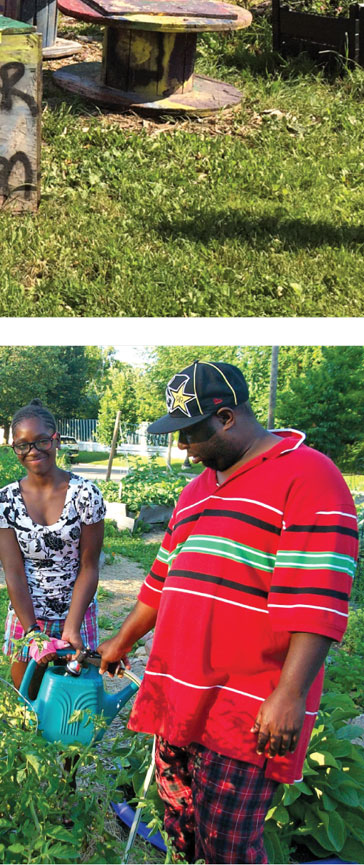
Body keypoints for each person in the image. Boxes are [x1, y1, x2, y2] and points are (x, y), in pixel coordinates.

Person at [97, 361, 359, 865]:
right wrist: (122, 641)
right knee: (181, 825)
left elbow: (319, 598)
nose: (182, 448)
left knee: (229, 846)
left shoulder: (309, 477)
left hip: (247, 707)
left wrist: (289, 695)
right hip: (179, 696)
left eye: (189, 434)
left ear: (225, 418)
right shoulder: (197, 490)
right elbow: (161, 579)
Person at [0, 400, 106, 691]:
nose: (33, 451)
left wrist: (72, 626)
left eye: (42, 441)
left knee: (75, 698)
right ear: (14, 448)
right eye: (22, 445)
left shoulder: (86, 494)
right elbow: (14, 574)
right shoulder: (4, 502)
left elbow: (89, 567)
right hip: (27, 614)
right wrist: (32, 633)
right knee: (27, 698)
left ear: (56, 440)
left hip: (76, 612)